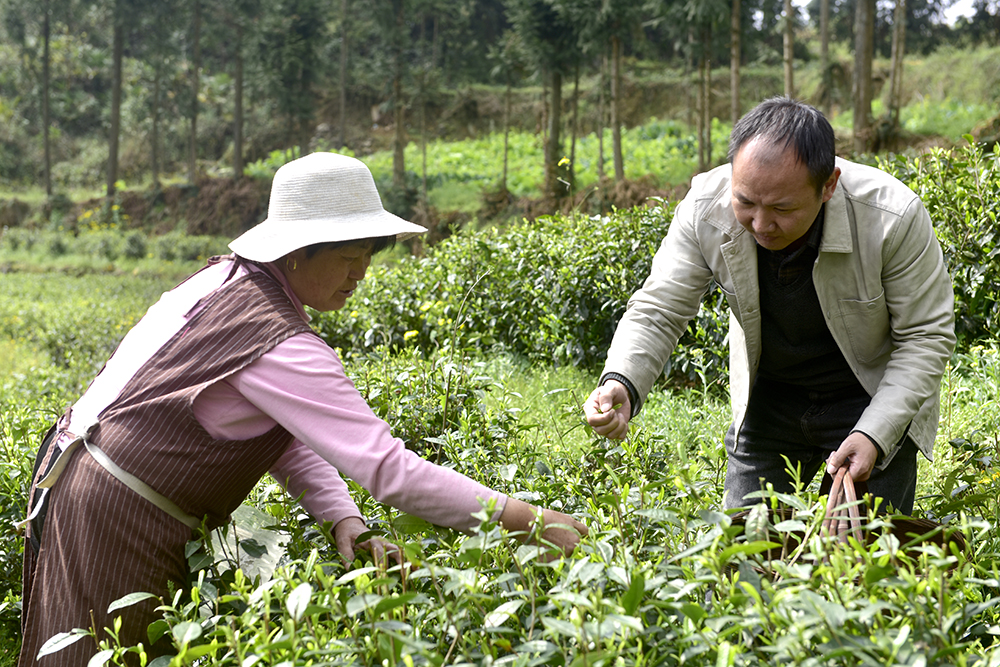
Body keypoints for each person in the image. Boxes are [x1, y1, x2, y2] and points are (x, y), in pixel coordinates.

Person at [19, 152, 588, 666]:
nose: (361, 273)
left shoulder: (225, 282)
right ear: (294, 254)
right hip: (117, 513)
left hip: (82, 480)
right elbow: (390, 472)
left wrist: (343, 519)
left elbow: (284, 434)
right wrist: (532, 522)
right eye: (348, 256)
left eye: (368, 255)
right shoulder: (280, 340)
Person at [584, 97, 955, 514]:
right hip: (771, 399)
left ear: (828, 185)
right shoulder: (705, 207)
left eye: (782, 208)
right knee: (745, 553)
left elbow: (925, 337)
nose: (760, 225)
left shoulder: (891, 217)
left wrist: (874, 433)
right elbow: (660, 307)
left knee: (859, 558)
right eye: (745, 202)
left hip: (869, 395)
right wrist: (622, 379)